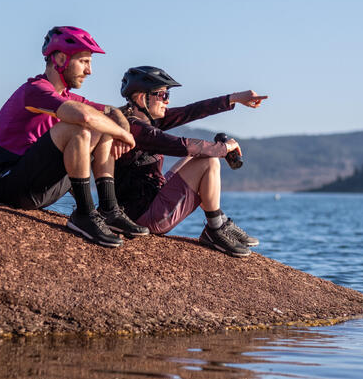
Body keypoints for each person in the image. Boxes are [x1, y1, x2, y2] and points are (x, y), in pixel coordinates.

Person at [0, 26, 149, 247]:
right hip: (8, 183)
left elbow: (112, 111)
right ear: (61, 59)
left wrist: (122, 129)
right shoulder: (35, 90)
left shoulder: (67, 96)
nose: (89, 71)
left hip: (39, 185)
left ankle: (109, 210)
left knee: (101, 125)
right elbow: (82, 115)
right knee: (79, 127)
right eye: (84, 62)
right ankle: (84, 214)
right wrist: (124, 134)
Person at [114, 66, 268, 257]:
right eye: (162, 95)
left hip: (151, 199)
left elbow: (191, 111)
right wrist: (224, 148)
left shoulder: (147, 121)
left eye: (167, 94)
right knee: (209, 161)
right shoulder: (136, 129)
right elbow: (182, 145)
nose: (167, 100)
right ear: (140, 98)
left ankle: (220, 219)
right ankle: (216, 228)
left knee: (197, 157)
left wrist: (234, 98)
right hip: (143, 216)